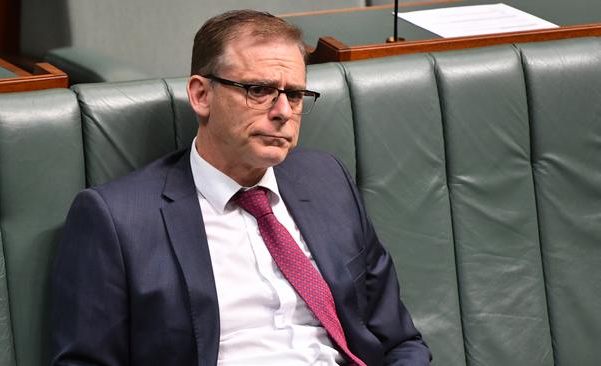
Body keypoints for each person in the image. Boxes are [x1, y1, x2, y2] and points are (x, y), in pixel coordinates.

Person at [51, 9, 430, 366]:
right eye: (259, 90)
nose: (282, 112)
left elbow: (400, 340)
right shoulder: (117, 219)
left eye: (294, 95)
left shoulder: (327, 180)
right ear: (202, 95)